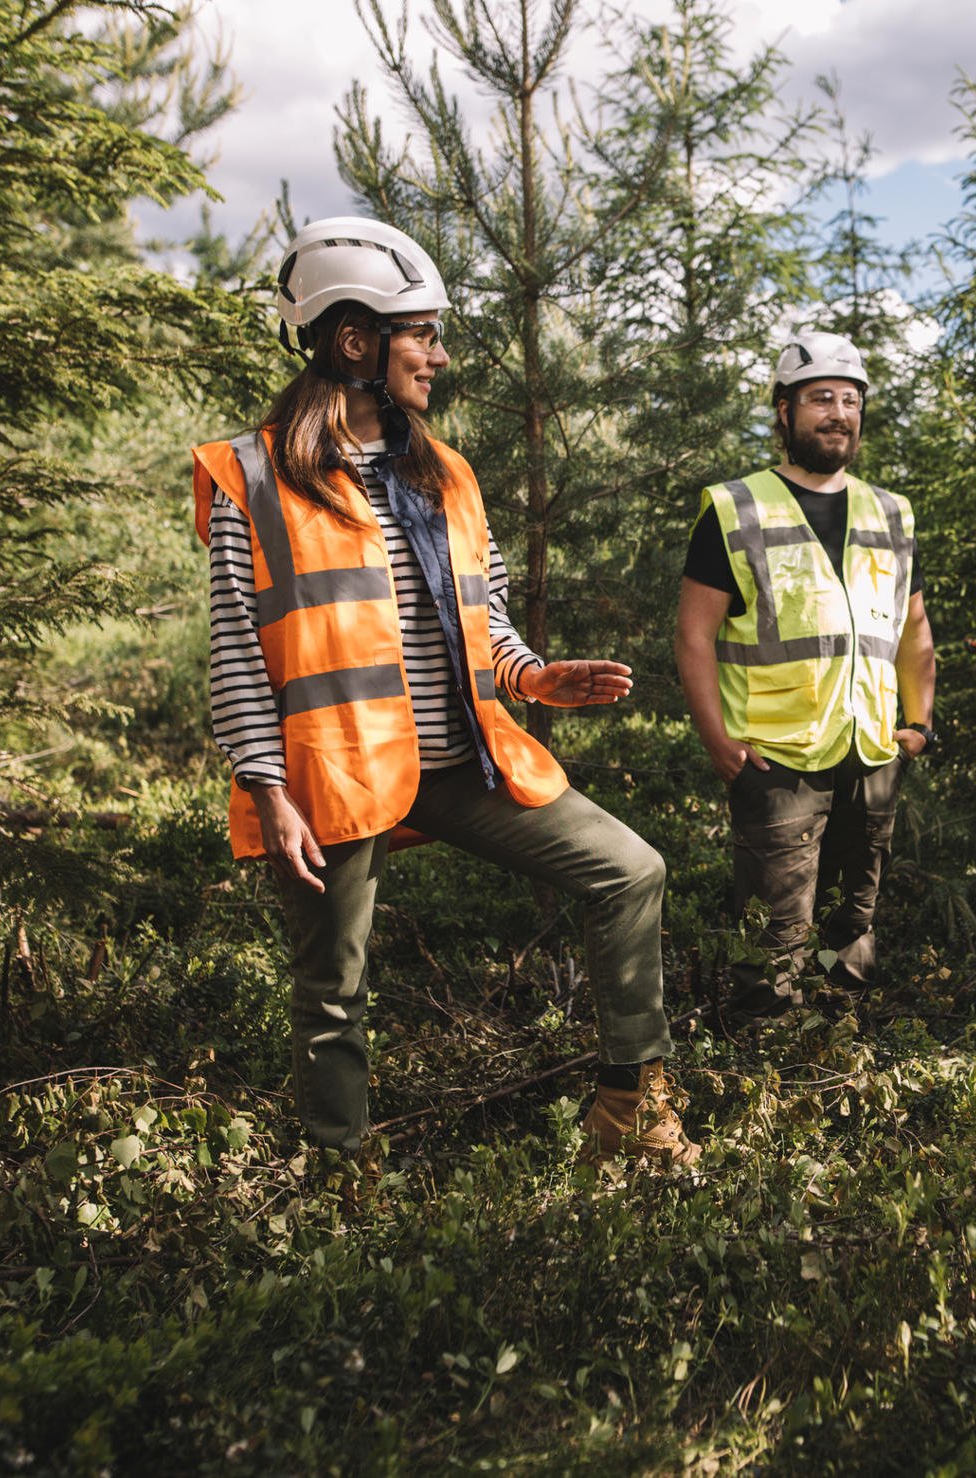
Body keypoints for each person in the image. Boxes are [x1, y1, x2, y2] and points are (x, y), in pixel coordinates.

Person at [194, 215, 696, 1167]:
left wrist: (535, 675)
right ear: (354, 340)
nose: (438, 352)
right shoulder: (251, 476)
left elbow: (483, 616)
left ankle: (633, 1111)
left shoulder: (445, 472)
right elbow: (235, 650)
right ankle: (342, 1184)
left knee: (632, 870)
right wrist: (267, 788)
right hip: (331, 778)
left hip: (458, 759)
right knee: (332, 990)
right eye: (420, 331)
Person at [674, 331, 936, 1019]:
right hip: (775, 756)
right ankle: (765, 1062)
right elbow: (694, 635)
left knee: (853, 921)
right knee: (775, 930)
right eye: (821, 398)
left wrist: (917, 725)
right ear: (784, 411)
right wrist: (718, 743)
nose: (839, 413)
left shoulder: (892, 512)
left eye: (851, 401)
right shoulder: (737, 507)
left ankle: (834, 1046)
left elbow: (913, 631)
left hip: (873, 751)